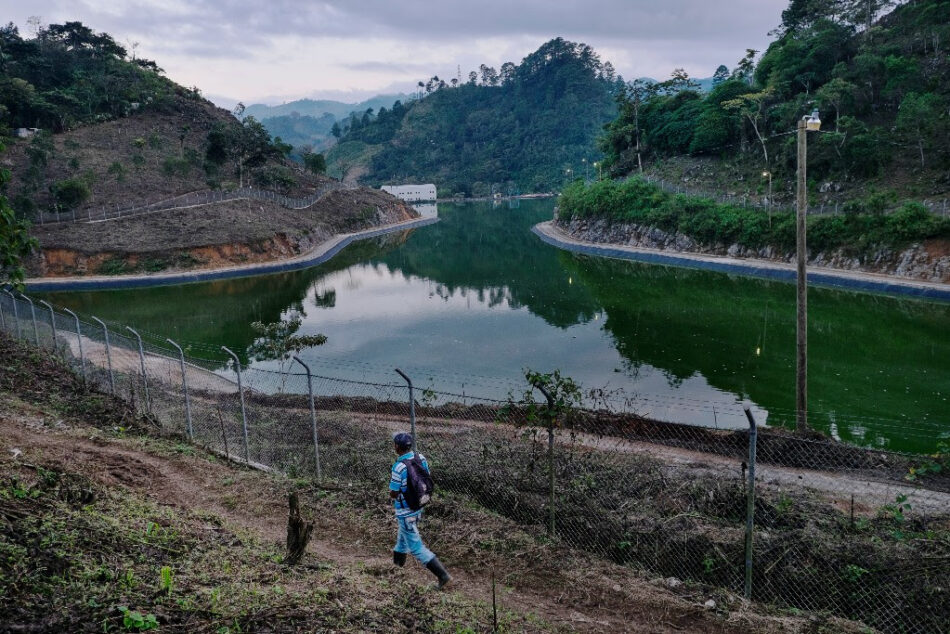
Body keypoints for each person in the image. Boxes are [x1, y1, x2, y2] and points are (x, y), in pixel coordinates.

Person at [389, 432, 451, 589]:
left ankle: (442, 575)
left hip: (405, 510)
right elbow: (426, 478)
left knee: (416, 547)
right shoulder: (421, 458)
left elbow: (393, 493)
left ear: (397, 447)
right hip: (418, 506)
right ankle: (396, 571)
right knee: (402, 541)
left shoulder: (399, 467)